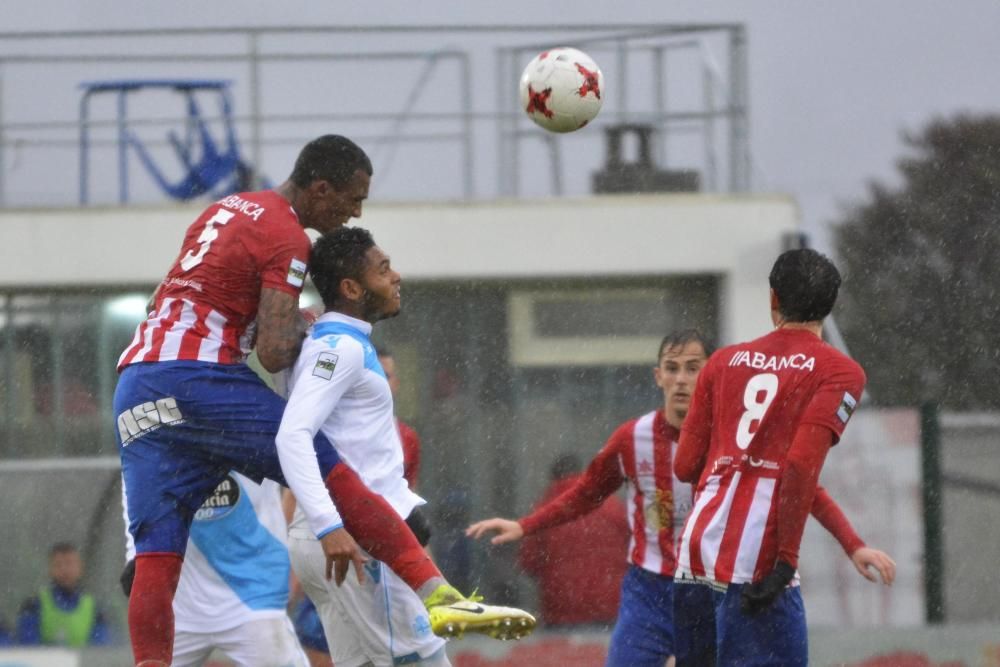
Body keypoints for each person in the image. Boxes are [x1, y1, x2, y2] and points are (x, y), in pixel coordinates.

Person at [112, 135, 507, 667]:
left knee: (157, 556)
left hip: (136, 385)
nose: (354, 213)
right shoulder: (286, 235)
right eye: (352, 198)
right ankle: (438, 593)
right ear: (320, 189)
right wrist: (309, 329)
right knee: (328, 468)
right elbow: (275, 353)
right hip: (197, 377)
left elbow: (193, 297)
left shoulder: (224, 208)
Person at [468, 328, 895, 667]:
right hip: (649, 590)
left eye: (693, 368)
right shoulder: (632, 438)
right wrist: (526, 525)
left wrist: (853, 545)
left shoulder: (736, 438)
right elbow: (586, 493)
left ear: (712, 374)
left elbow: (803, 486)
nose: (682, 380)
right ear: (657, 376)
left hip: (713, 586)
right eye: (672, 368)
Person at [282, 227, 535, 667]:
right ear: (351, 288)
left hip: (337, 538)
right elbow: (292, 434)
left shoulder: (326, 338)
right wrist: (329, 525)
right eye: (383, 269)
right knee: (422, 660)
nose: (396, 276)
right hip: (355, 540)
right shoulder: (339, 348)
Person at [674, 248, 871, 666]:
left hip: (695, 554)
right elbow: (799, 466)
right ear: (829, 305)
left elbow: (686, 465)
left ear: (773, 300)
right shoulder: (840, 372)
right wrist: (785, 562)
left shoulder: (723, 362)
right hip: (756, 563)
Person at [121, 473, 310, 667]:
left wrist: (300, 549)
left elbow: (302, 467)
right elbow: (136, 480)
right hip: (179, 600)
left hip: (255, 595)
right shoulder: (159, 447)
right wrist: (134, 553)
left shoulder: (260, 442)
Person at [517, 453, 630, 628]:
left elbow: (529, 562)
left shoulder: (542, 513)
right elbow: (636, 552)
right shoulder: (612, 505)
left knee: (565, 656)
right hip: (611, 606)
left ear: (553, 479)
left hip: (562, 610)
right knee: (607, 654)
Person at [16, 542, 112, 648]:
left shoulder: (96, 610)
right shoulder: (33, 606)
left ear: (80, 568)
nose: (65, 570)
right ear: (50, 569)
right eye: (58, 564)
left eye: (69, 563)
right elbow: (28, 649)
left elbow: (100, 651)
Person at [377, 346, 422, 490]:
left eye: (385, 375)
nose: (377, 380)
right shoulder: (335, 429)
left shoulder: (408, 438)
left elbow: (408, 494)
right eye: (372, 373)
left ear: (396, 384)